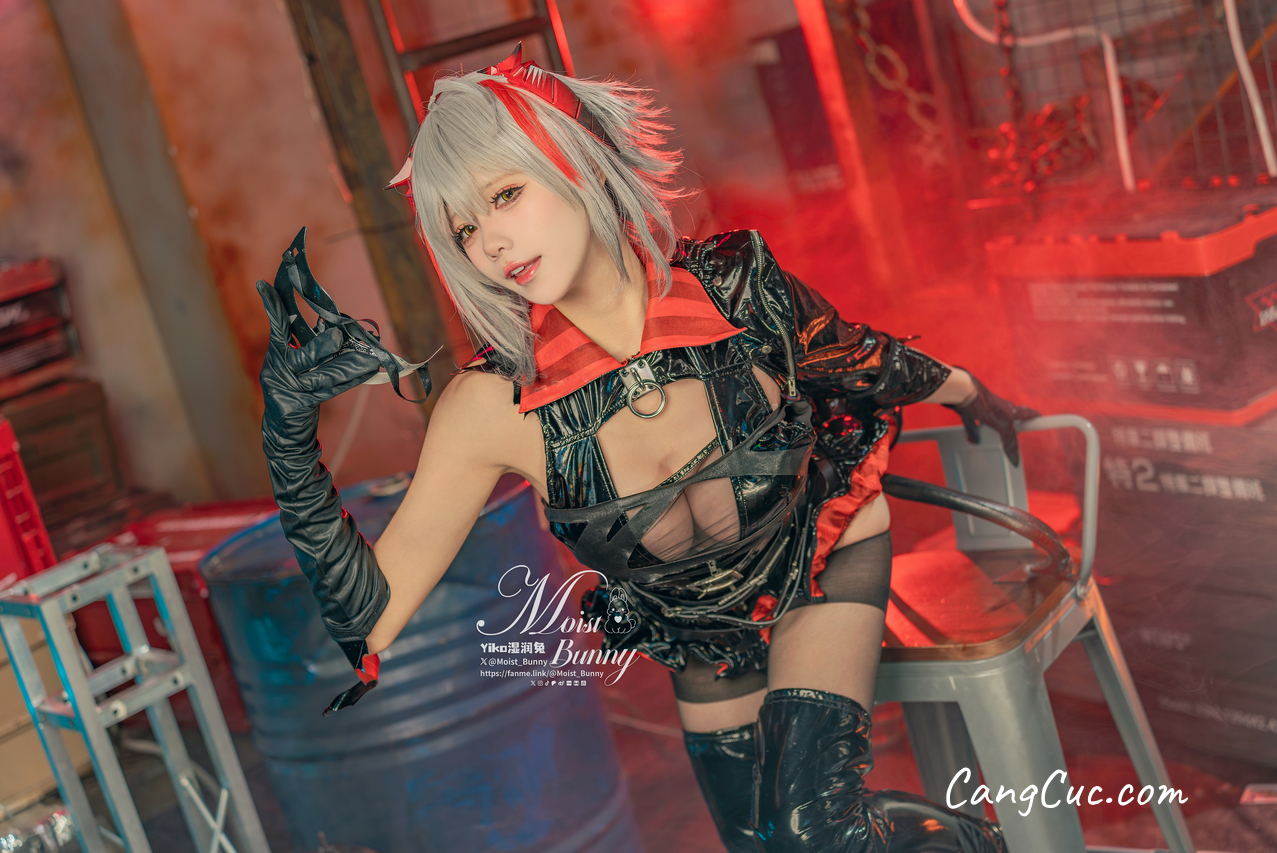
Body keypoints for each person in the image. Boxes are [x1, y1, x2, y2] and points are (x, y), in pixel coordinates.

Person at [257, 45, 1037, 853]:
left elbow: (858, 358)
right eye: (464, 228)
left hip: (817, 556)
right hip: (702, 639)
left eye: (506, 194)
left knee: (812, 833)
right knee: (765, 847)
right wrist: (288, 434)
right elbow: (373, 619)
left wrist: (971, 391)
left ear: (578, 161)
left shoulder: (735, 287)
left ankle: (983, 845)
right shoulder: (489, 407)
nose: (490, 242)